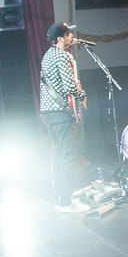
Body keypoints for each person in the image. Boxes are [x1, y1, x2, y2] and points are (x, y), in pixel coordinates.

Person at [40, 22, 87, 210]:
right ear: (60, 39)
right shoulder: (61, 56)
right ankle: (64, 197)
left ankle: (59, 194)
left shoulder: (47, 56)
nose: (71, 37)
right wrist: (82, 94)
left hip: (47, 113)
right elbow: (69, 86)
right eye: (68, 34)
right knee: (67, 155)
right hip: (59, 113)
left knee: (57, 155)